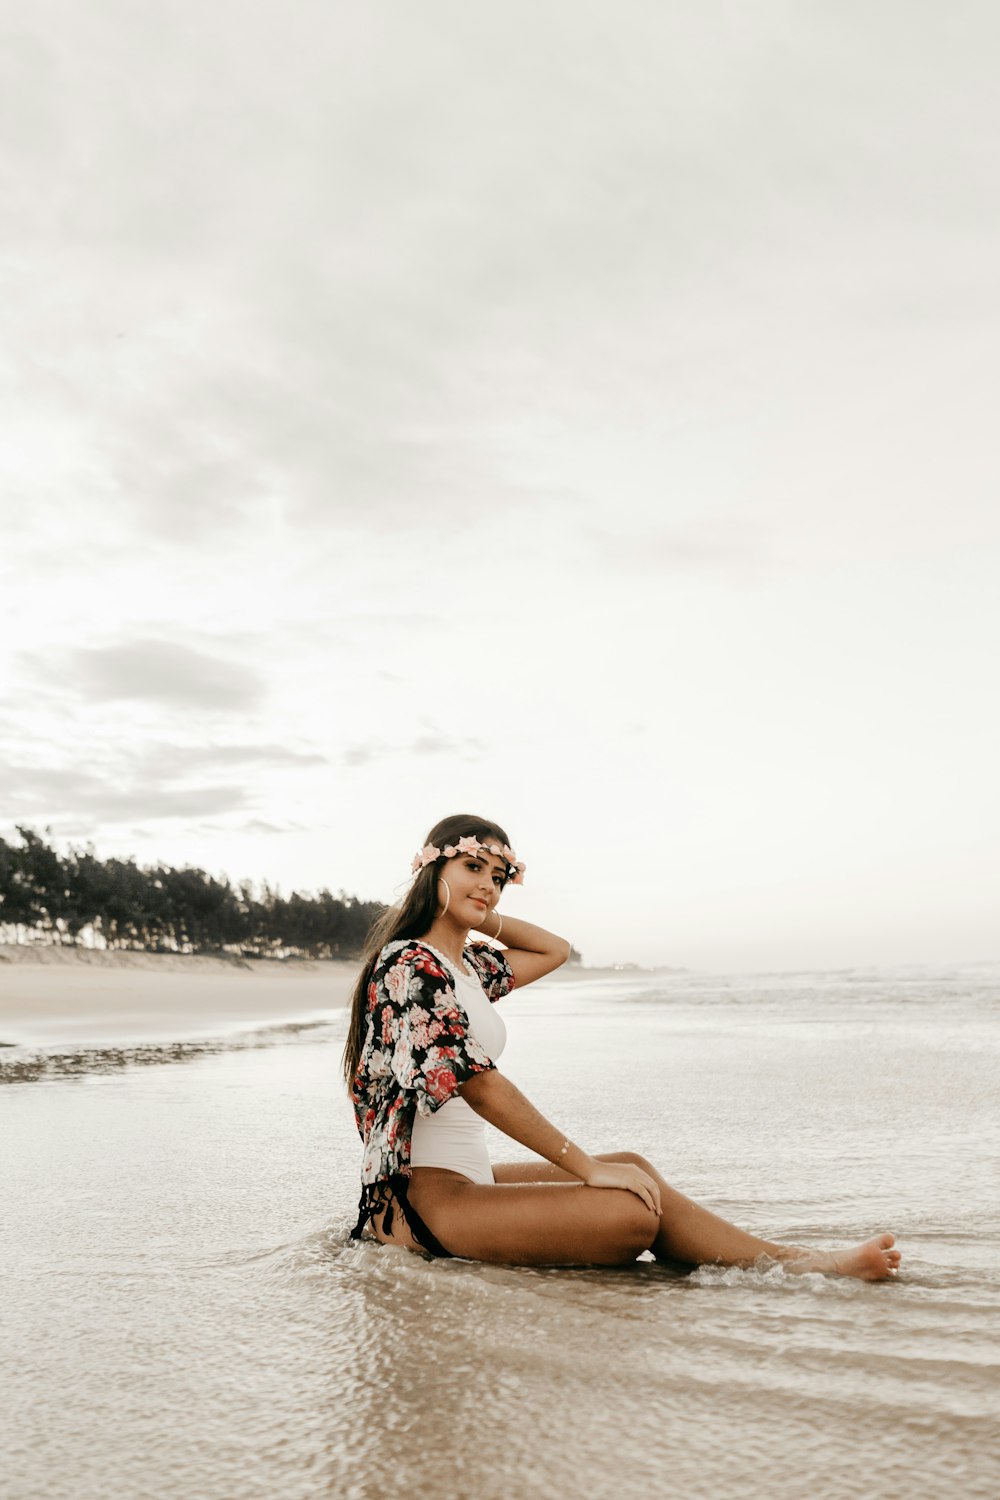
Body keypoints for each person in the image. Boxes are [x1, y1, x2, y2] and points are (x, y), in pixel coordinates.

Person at [343, 813, 901, 1279]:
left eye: (500, 875)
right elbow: (480, 1084)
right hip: (420, 1202)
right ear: (430, 868)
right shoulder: (408, 965)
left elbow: (555, 949)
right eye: (471, 867)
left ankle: (792, 1262)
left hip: (468, 1180)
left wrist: (481, 910)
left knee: (634, 1168)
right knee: (629, 1212)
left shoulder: (467, 966)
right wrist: (584, 1166)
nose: (488, 884)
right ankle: (793, 1266)